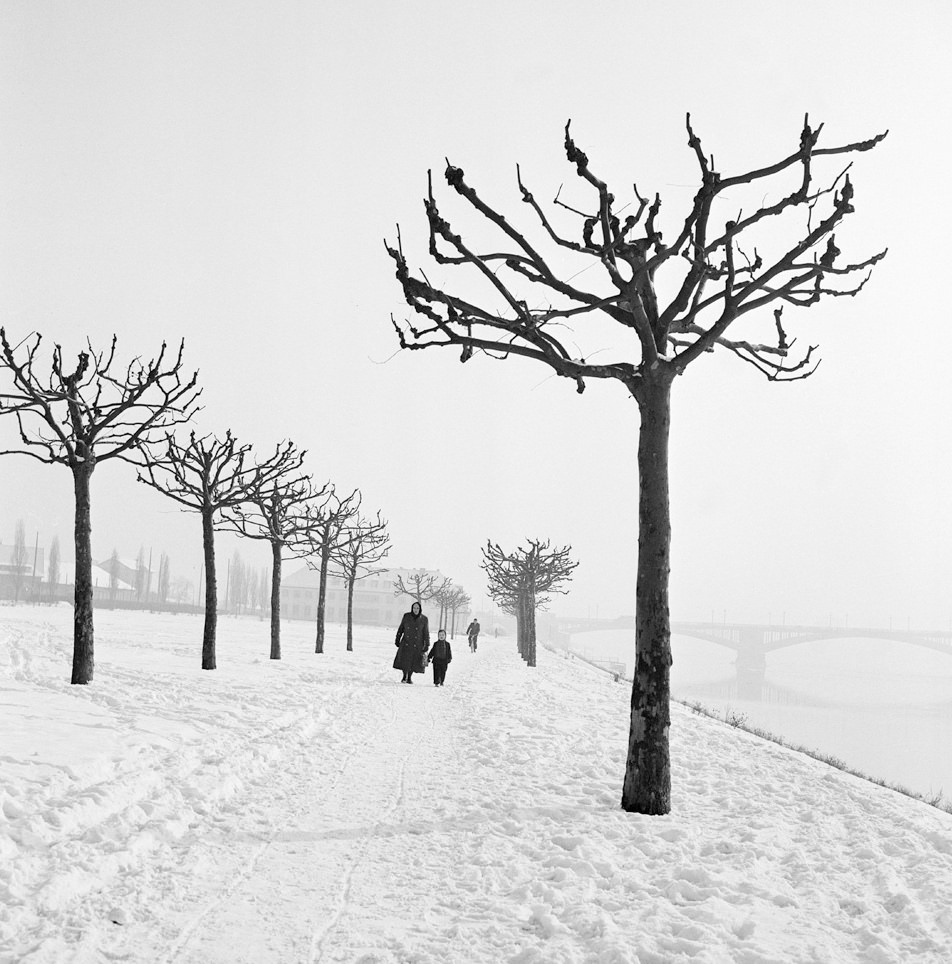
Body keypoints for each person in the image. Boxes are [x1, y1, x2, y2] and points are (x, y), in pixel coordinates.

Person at [393, 601, 429, 683]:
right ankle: (404, 675)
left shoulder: (424, 619)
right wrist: (397, 639)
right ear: (412, 608)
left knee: (413, 661)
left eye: (417, 608)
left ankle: (409, 677)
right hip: (406, 642)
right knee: (405, 660)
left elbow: (426, 633)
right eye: (414, 608)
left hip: (417, 644)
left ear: (420, 609)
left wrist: (426, 644)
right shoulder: (406, 616)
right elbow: (401, 628)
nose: (415, 610)